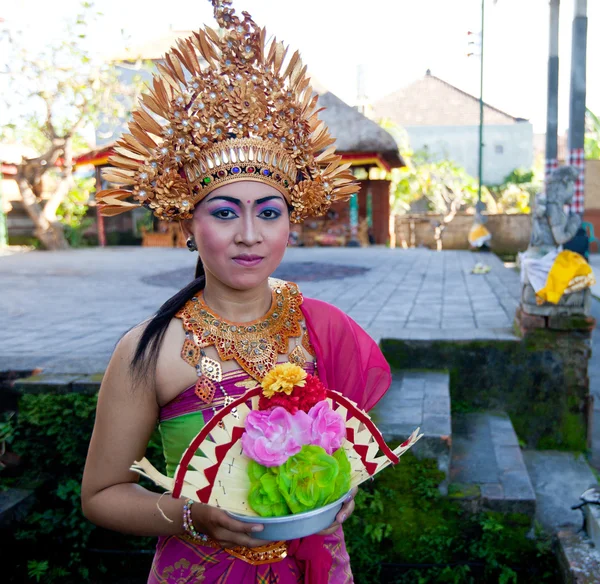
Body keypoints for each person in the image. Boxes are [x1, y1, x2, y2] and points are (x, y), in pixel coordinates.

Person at [81, 1, 392, 582]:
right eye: (225, 213)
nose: (249, 235)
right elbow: (100, 495)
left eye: (268, 212)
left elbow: (344, 449)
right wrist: (189, 516)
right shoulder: (150, 351)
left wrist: (340, 491)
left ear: (289, 222)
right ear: (188, 223)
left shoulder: (319, 326)